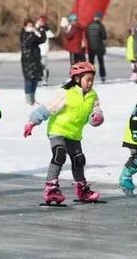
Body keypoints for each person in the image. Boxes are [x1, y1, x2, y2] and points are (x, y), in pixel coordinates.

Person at [23, 62, 104, 204]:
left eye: (92, 80)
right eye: (88, 80)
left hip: (74, 134)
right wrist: (32, 122)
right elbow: (47, 108)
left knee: (78, 159)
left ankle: (81, 189)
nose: (90, 83)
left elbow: (95, 111)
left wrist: (96, 117)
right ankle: (51, 188)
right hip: (57, 130)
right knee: (60, 154)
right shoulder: (66, 93)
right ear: (77, 79)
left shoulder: (92, 95)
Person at [20, 18, 46, 105]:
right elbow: (27, 42)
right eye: (29, 26)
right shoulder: (24, 34)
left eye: (32, 26)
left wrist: (41, 30)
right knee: (28, 80)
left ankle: (33, 98)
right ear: (25, 26)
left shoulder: (34, 34)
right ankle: (28, 99)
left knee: (35, 79)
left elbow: (42, 40)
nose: (31, 27)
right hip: (27, 61)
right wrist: (33, 32)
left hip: (35, 60)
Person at [86, 12, 107, 82]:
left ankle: (89, 77)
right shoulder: (100, 26)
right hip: (99, 47)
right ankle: (102, 76)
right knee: (101, 62)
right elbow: (104, 36)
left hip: (90, 47)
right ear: (100, 18)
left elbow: (86, 35)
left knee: (91, 63)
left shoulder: (89, 25)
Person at [36, 15, 54, 86]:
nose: (40, 22)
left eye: (42, 21)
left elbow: (52, 35)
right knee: (37, 65)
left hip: (44, 51)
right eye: (39, 20)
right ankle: (38, 78)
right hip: (37, 50)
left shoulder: (47, 30)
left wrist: (46, 29)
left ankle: (45, 79)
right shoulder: (36, 28)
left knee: (44, 65)